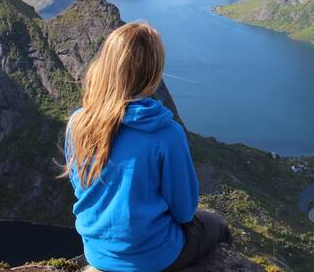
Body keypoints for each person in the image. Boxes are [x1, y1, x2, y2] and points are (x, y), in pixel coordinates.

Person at [62, 22, 231, 272]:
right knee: (216, 225)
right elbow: (184, 212)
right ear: (153, 73)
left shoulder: (78, 123)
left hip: (97, 253)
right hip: (153, 258)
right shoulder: (165, 133)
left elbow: (81, 187)